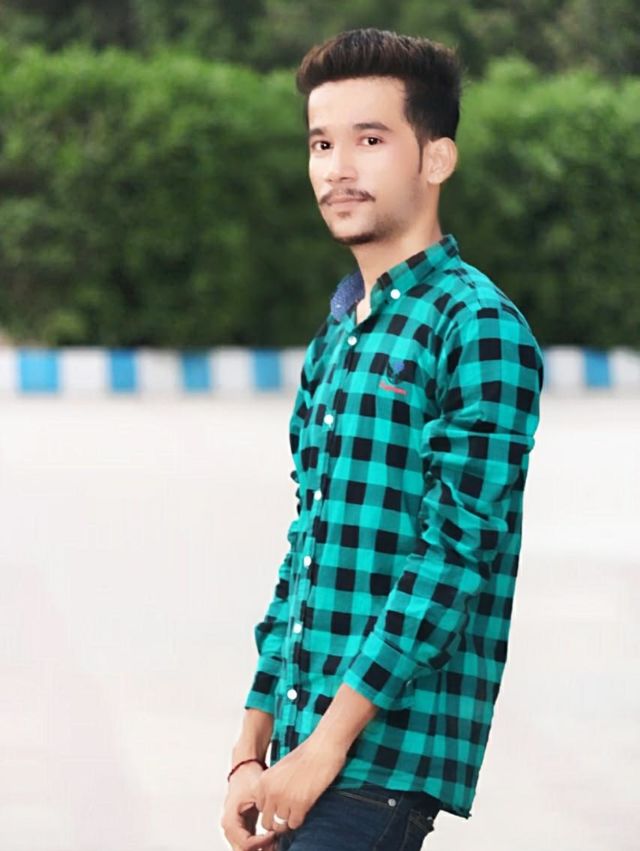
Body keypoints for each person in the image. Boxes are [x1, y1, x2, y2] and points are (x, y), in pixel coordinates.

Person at [220, 27, 544, 851]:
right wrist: (250, 749)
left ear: (437, 158)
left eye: (370, 140)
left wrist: (326, 746)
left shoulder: (477, 326)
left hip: (380, 766)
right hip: (298, 753)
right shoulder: (340, 334)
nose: (338, 168)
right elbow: (308, 546)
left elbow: (454, 558)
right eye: (321, 143)